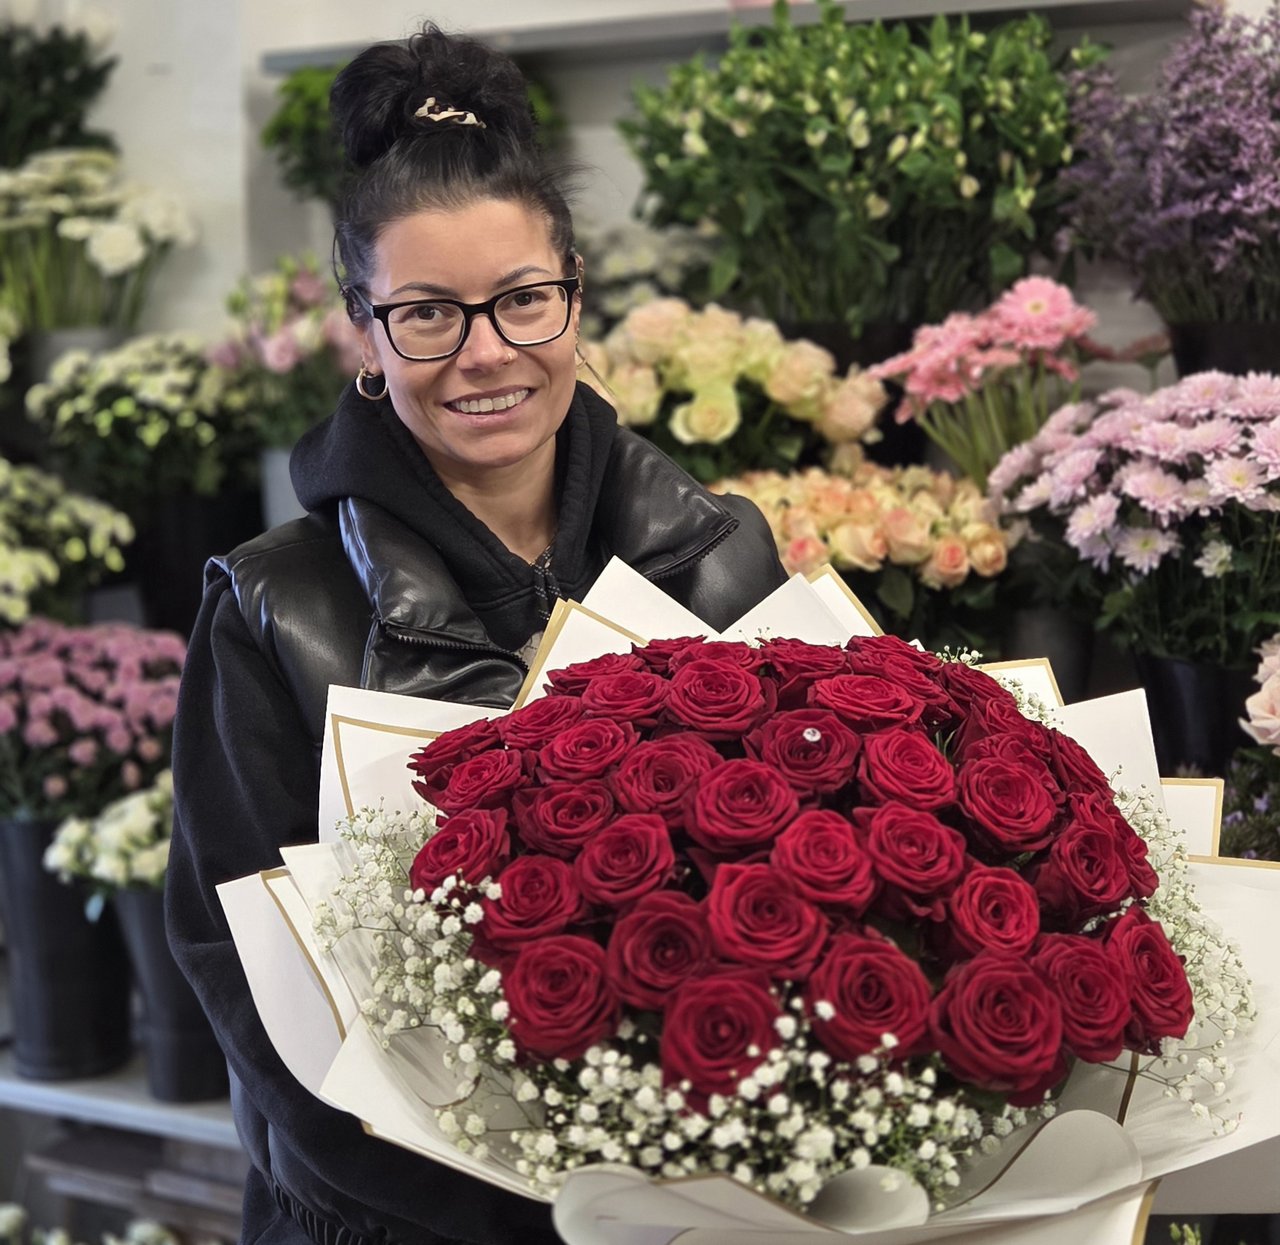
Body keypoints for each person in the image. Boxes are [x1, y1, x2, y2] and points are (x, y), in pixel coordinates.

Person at [165, 19, 789, 1245]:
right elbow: (247, 984)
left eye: (520, 301)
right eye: (428, 316)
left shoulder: (720, 559)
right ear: (362, 328)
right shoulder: (270, 609)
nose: (485, 354)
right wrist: (543, 1208)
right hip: (393, 1214)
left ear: (574, 296)